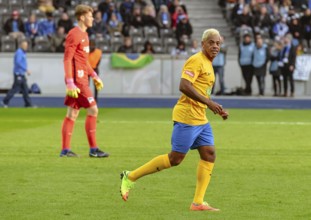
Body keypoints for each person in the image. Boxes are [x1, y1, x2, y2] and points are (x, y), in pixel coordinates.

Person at [120, 28, 229, 211]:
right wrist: (210, 103)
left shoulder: (209, 63)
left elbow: (202, 91)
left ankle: (198, 202)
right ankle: (129, 177)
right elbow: (184, 86)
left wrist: (214, 108)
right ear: (203, 44)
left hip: (200, 118)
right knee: (175, 158)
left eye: (218, 43)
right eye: (211, 42)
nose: (215, 46)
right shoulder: (196, 60)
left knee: (209, 154)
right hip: (187, 116)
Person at [59, 4, 109, 158]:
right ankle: (93, 149)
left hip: (82, 79)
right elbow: (67, 59)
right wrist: (69, 82)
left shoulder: (85, 35)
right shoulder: (74, 34)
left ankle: (65, 150)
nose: (92, 18)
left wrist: (94, 75)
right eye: (90, 15)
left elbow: (83, 60)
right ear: (81, 17)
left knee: (72, 114)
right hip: (77, 81)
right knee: (93, 110)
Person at [1, 40, 33, 108]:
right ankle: (5, 101)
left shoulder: (23, 53)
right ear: (21, 45)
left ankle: (28, 104)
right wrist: (26, 69)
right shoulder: (19, 52)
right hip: (18, 74)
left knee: (25, 89)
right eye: (25, 46)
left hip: (21, 74)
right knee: (15, 89)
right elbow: (18, 62)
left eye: (27, 46)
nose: (26, 47)